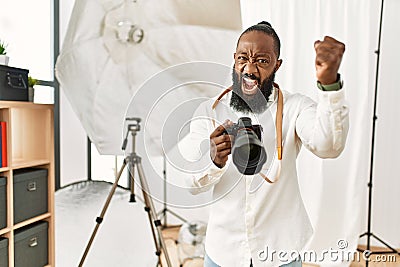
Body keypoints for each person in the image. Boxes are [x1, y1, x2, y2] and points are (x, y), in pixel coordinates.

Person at [183, 21, 349, 267]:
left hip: (280, 251)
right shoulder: (209, 111)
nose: (249, 69)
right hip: (223, 252)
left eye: (261, 61)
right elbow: (190, 183)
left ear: (276, 65)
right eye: (243, 58)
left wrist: (329, 85)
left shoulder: (295, 107)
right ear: (234, 60)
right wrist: (213, 158)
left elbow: (329, 146)